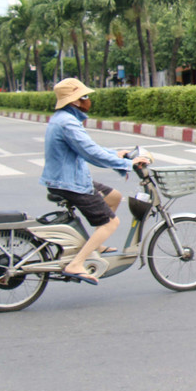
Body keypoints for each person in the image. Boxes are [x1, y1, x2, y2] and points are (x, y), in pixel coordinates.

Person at [40, 78, 150, 285]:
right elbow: (91, 153)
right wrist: (129, 164)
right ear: (75, 101)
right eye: (84, 96)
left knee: (114, 197)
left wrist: (117, 154)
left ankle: (95, 245)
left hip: (67, 179)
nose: (88, 100)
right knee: (111, 223)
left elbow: (90, 148)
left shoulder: (64, 118)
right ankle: (76, 264)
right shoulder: (68, 123)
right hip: (70, 184)